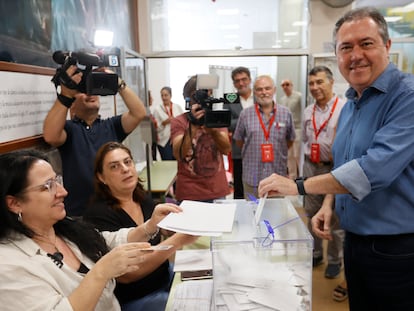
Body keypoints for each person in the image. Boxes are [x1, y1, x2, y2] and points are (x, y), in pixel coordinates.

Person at [258, 7, 414, 310]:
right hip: (356, 243)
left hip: (397, 249)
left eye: (366, 43)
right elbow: (343, 163)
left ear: (387, 46)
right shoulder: (353, 102)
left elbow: (373, 170)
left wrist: (298, 186)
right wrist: (329, 204)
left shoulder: (406, 97)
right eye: (346, 47)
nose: (355, 55)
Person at [0, 149, 182, 311]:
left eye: (57, 181)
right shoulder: (8, 266)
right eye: (48, 186)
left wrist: (149, 227)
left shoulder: (64, 230)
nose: (62, 192)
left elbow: (106, 241)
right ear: (15, 203)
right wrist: (101, 272)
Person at [83, 142, 198, 311]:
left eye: (127, 162)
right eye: (114, 166)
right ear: (101, 177)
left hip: (163, 276)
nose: (125, 169)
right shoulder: (98, 215)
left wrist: (175, 226)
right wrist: (177, 241)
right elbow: (127, 275)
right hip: (136, 297)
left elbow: (158, 230)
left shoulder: (141, 198)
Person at [43, 64, 146, 217]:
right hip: (80, 213)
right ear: (72, 102)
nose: (89, 94)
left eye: (92, 90)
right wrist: (65, 95)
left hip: (113, 210)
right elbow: (51, 136)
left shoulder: (111, 126)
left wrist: (117, 83)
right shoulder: (70, 129)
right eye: (82, 91)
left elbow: (139, 113)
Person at [302, 66, 346, 278]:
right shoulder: (307, 111)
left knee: (335, 219)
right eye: (311, 83)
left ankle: (335, 260)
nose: (315, 87)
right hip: (311, 166)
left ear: (331, 82)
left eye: (319, 82)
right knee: (311, 214)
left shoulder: (343, 109)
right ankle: (316, 253)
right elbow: (304, 140)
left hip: (334, 168)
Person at [170, 75, 231, 203]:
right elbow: (179, 154)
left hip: (216, 190)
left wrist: (213, 131)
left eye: (207, 95)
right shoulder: (179, 121)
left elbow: (226, 149)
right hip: (189, 192)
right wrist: (193, 126)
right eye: (197, 96)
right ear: (187, 98)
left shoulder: (217, 118)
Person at [234, 75, 295, 199]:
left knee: (275, 215)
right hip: (252, 177)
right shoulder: (245, 114)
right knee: (252, 214)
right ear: (255, 92)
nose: (264, 92)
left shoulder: (286, 113)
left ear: (274, 90)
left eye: (267, 88)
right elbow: (239, 141)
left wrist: (277, 149)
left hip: (277, 177)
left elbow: (290, 140)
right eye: (259, 89)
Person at [226, 66, 254, 199]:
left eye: (244, 79)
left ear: (250, 79)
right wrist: (249, 120)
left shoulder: (259, 96)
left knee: (260, 185)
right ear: (234, 84)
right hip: (239, 150)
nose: (241, 83)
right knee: (239, 186)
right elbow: (227, 123)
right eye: (237, 81)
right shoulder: (230, 98)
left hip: (259, 149)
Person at [153, 87, 184, 160]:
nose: (164, 97)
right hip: (164, 140)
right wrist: (164, 122)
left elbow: (183, 122)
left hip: (176, 138)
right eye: (162, 95)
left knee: (178, 161)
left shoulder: (177, 107)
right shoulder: (157, 110)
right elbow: (155, 128)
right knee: (168, 162)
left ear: (170, 95)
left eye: (166, 95)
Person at [280, 78, 302, 179]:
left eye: (287, 84)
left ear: (292, 85)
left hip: (297, 129)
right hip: (286, 131)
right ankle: (292, 178)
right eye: (283, 85)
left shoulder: (299, 97)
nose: (285, 87)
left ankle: (301, 176)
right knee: (289, 156)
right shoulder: (282, 99)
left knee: (297, 155)